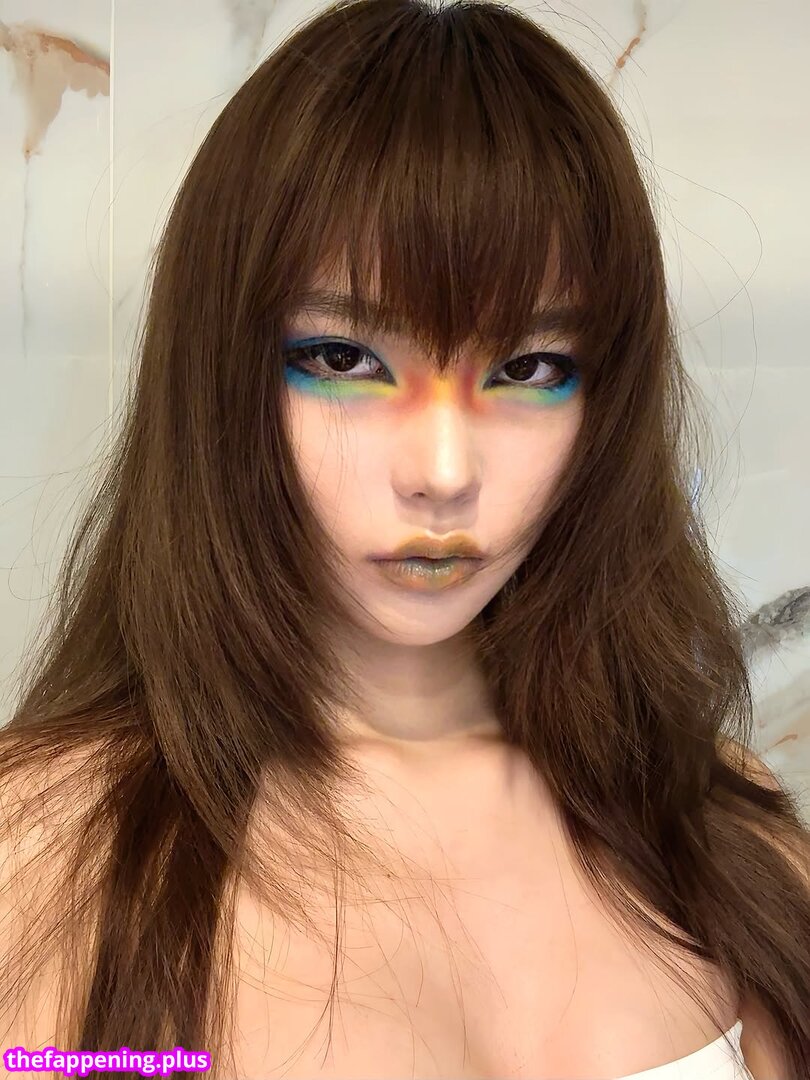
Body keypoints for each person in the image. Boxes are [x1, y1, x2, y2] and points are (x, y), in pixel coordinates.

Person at [1, 1, 808, 1078]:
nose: (442, 470)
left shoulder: (715, 826)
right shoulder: (41, 850)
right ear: (223, 375)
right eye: (343, 359)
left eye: (528, 369)